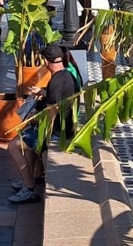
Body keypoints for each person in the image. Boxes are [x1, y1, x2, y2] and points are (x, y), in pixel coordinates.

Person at [7, 43, 80, 204]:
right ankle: (31, 177)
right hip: (66, 126)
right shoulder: (67, 75)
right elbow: (57, 98)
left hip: (57, 132)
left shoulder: (55, 81)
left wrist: (33, 119)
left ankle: (29, 189)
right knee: (27, 141)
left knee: (13, 146)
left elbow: (51, 114)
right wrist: (41, 92)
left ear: (47, 61)